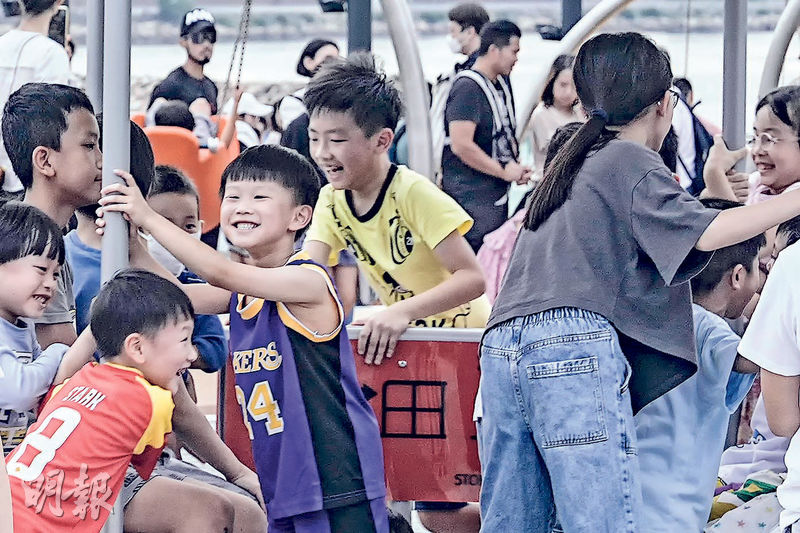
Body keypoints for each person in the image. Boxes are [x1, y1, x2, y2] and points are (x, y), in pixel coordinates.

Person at [478, 32, 800, 532]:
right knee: (600, 519)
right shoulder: (627, 158)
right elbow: (709, 230)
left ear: (583, 100)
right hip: (573, 342)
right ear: (664, 105)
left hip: (501, 347)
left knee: (518, 519)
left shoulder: (569, 166)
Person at [98, 144, 389, 533]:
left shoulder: (308, 279)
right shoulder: (242, 292)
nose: (242, 206)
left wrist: (148, 217)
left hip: (336, 481)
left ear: (300, 216)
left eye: (259, 197)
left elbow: (221, 273)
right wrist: (132, 243)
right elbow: (172, 294)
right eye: (232, 197)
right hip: (282, 483)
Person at [301, 53, 487, 532]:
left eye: (337, 139)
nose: (323, 152)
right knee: (414, 494)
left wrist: (398, 312)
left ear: (383, 140)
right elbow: (307, 269)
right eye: (315, 137)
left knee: (446, 497)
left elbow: (472, 278)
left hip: (464, 353)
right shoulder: (331, 199)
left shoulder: (413, 193)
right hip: (410, 353)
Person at [5, 269, 195, 532]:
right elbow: (142, 469)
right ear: (137, 348)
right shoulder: (154, 401)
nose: (192, 354)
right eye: (184, 340)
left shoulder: (80, 377)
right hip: (41, 524)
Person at [635, 198, 763, 532]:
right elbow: (752, 360)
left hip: (629, 501)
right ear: (737, 276)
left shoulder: (650, 316)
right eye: (760, 270)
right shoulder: (706, 328)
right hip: (671, 514)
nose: (760, 283)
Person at [2, 82, 102, 349]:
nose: (102, 160)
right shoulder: (33, 248)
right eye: (90, 145)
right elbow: (61, 358)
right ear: (45, 161)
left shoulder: (52, 238)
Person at [0, 202, 96, 456]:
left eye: (55, 275)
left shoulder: (22, 326)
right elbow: (19, 392)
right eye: (41, 270)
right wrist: (57, 351)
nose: (50, 284)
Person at [442, 20, 531, 252]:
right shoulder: (467, 88)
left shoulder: (499, 85)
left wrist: (513, 167)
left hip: (491, 197)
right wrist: (502, 171)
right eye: (514, 52)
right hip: (470, 201)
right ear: (494, 50)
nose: (516, 59)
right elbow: (461, 145)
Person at [145, 164, 227, 372]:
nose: (178, 236)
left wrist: (175, 355)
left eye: (189, 226)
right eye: (165, 224)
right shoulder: (114, 276)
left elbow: (215, 350)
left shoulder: (197, 287)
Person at [0, 0, 71, 194]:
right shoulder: (52, 54)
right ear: (58, 3)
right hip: (29, 173)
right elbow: (57, 115)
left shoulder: (2, 43)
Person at [430, 3, 490, 178]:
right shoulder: (471, 71)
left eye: (453, 32)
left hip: (465, 175)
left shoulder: (471, 77)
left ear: (470, 32)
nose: (451, 38)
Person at [149, 8, 219, 115]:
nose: (206, 44)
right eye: (198, 38)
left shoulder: (211, 87)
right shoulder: (170, 86)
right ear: (183, 42)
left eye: (211, 37)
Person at [528, 54, 584, 181]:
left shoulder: (579, 112)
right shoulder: (542, 113)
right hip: (548, 184)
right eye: (563, 85)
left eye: (574, 87)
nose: (568, 92)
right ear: (552, 82)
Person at [277, 38, 341, 131]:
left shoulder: (345, 97)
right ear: (308, 62)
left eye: (338, 60)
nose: (335, 65)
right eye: (328, 59)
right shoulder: (294, 101)